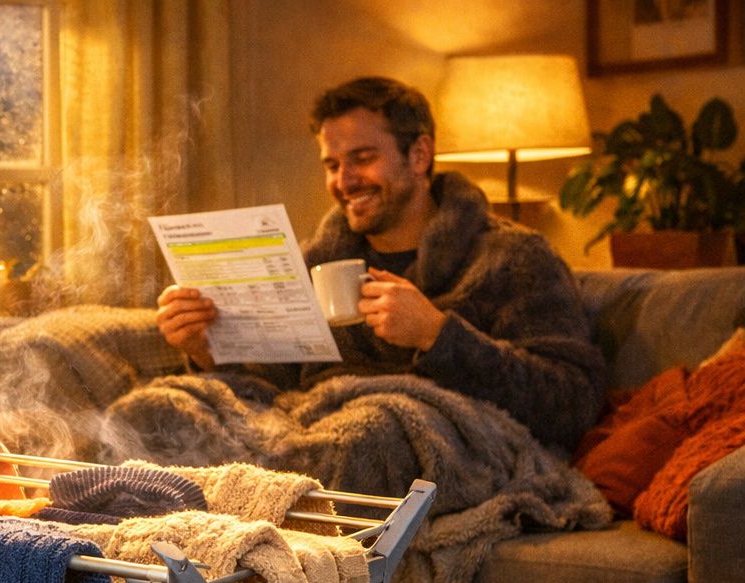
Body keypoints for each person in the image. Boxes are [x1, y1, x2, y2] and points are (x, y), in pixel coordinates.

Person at [154, 76, 605, 453]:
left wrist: (437, 335)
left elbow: (573, 402)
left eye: (363, 159)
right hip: (304, 434)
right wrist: (205, 350)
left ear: (420, 155)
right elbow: (269, 389)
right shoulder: (315, 263)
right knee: (157, 411)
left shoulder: (512, 258)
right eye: (332, 165)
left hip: (427, 442)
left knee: (365, 436)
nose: (344, 181)